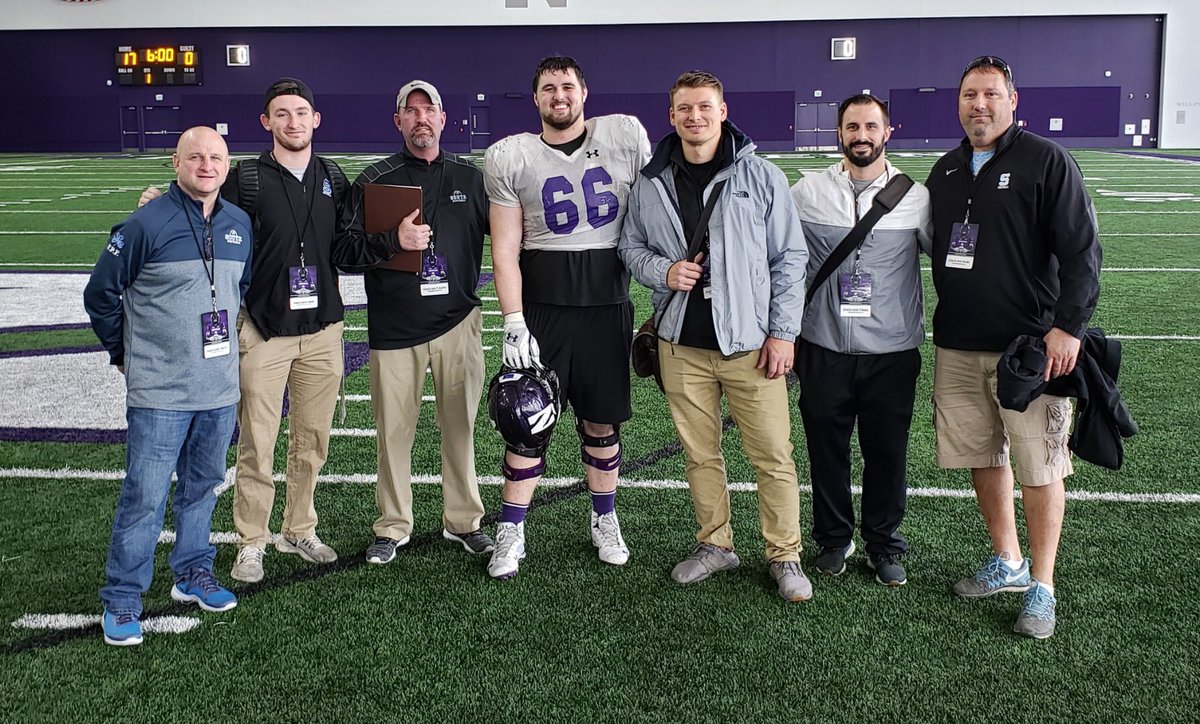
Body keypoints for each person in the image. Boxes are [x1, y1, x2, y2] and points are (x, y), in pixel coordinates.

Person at [140, 78, 349, 584]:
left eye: (301, 112)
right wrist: (160, 204)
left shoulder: (334, 177)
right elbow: (204, 214)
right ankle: (251, 540)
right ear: (266, 122)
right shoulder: (248, 177)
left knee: (312, 439)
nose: (293, 122)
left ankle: (299, 527)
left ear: (316, 120)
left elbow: (348, 245)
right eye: (282, 113)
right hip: (263, 330)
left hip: (322, 330)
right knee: (258, 442)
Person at [925, 56, 1101, 639]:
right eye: (970, 94)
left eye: (991, 94)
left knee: (1040, 463)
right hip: (957, 343)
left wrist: (1068, 327)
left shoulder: (1046, 161)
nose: (980, 104)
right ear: (959, 102)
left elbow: (1082, 253)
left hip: (1030, 347)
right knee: (981, 454)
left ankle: (1043, 585)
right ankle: (1008, 559)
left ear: (1012, 99)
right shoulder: (946, 171)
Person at [619, 71, 811, 601]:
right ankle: (715, 543)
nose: (695, 117)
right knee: (700, 454)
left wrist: (783, 333)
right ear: (671, 115)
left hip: (750, 343)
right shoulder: (650, 181)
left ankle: (785, 555)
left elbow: (790, 258)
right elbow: (629, 248)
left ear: (722, 112)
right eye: (685, 108)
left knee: (772, 454)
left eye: (705, 107)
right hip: (681, 344)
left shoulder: (760, 176)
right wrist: (663, 271)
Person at [482, 56, 651, 580]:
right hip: (544, 311)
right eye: (549, 88)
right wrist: (513, 320)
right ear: (535, 99)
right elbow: (505, 251)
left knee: (601, 422)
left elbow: (654, 221)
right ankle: (512, 529)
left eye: (568, 86)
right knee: (525, 423)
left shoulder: (623, 136)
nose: (559, 96)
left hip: (607, 307)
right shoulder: (511, 156)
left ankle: (605, 518)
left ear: (584, 93)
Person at [85, 127, 253, 646]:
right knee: (145, 496)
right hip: (160, 393)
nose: (207, 165)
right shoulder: (144, 223)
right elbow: (100, 295)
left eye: (216, 157)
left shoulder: (239, 223)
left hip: (220, 390)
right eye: (195, 156)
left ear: (228, 165)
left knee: (202, 489)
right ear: (175, 162)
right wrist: (123, 353)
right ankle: (123, 598)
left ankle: (192, 573)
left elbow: (236, 290)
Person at [335, 80, 492, 564]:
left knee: (461, 427)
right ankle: (392, 524)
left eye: (430, 110)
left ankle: (464, 520)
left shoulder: (471, 178)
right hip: (395, 329)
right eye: (412, 110)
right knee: (393, 432)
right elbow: (343, 253)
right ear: (397, 120)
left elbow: (510, 239)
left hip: (458, 322)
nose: (421, 118)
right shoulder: (373, 180)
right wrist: (392, 242)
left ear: (444, 120)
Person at [790, 94, 932, 587]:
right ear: (839, 133)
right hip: (822, 346)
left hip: (891, 351)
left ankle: (883, 543)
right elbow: (782, 260)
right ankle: (833, 539)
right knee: (825, 448)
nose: (862, 135)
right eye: (852, 126)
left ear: (887, 132)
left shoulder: (916, 197)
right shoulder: (807, 191)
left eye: (871, 125)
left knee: (886, 450)